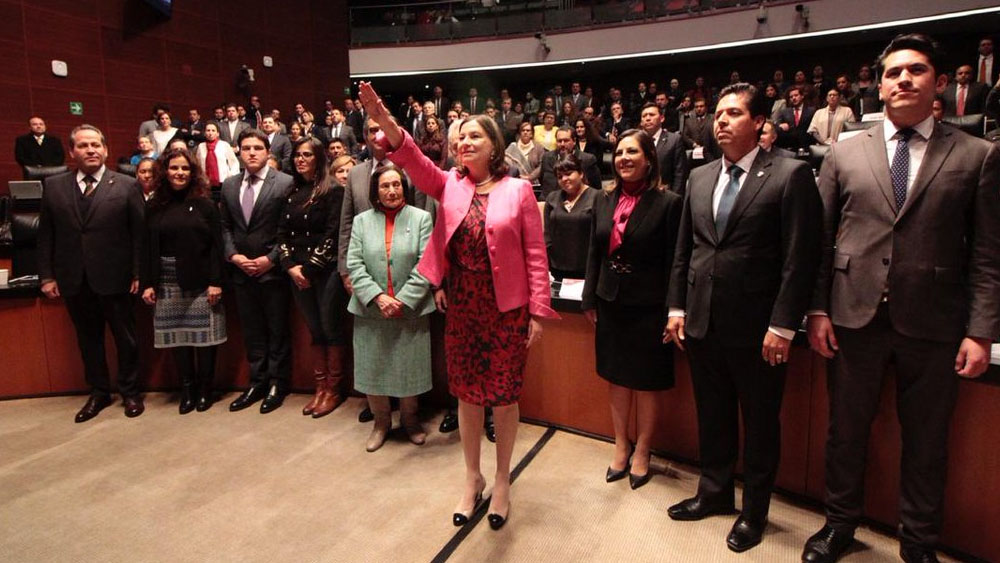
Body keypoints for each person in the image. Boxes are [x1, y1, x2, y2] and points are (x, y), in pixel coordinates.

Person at [802, 34, 1000, 563]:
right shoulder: (843, 153)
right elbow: (819, 243)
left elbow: (986, 253)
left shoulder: (977, 155)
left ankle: (918, 544)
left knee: (928, 444)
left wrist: (980, 331)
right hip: (851, 317)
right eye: (893, 72)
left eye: (916, 70)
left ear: (939, 82)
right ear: (880, 86)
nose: (903, 79)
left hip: (935, 324)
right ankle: (839, 525)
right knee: (845, 434)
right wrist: (817, 309)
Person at [359, 81, 557, 531]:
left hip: (508, 310)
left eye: (474, 137)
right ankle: (473, 478)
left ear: (494, 145)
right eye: (459, 137)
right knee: (467, 396)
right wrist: (387, 120)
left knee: (504, 399)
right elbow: (410, 156)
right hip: (464, 307)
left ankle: (503, 479)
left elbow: (535, 254)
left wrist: (539, 311)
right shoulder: (448, 184)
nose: (464, 142)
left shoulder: (519, 190)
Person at [664, 82, 822, 553]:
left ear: (760, 124)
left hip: (759, 331)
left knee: (760, 424)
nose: (721, 121)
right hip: (702, 322)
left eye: (733, 113)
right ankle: (713, 493)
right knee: (712, 415)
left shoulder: (789, 175)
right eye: (717, 113)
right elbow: (685, 251)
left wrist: (783, 325)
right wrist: (676, 307)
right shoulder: (699, 176)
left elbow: (801, 258)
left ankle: (754, 512)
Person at [580, 127, 683, 493]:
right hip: (611, 302)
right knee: (617, 377)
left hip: (650, 305)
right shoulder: (603, 201)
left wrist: (675, 308)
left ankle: (643, 449)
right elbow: (596, 253)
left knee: (648, 382)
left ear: (649, 158)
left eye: (632, 152)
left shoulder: (669, 202)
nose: (623, 158)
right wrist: (589, 298)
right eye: (619, 152)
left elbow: (676, 261)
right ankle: (620, 445)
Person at [36, 124, 145, 422]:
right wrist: (46, 276)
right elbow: (46, 235)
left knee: (126, 338)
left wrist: (139, 273)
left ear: (106, 149)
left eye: (96, 144)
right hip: (74, 278)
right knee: (88, 339)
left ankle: (130, 391)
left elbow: (139, 235)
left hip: (117, 277)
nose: (91, 150)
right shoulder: (55, 186)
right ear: (72, 152)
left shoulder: (126, 184)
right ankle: (99, 392)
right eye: (83, 146)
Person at [347, 165, 435, 451]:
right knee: (374, 368)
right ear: (376, 191)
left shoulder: (421, 219)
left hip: (410, 310)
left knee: (409, 368)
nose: (391, 191)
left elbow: (426, 264)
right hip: (371, 311)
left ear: (404, 188)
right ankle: (381, 423)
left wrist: (403, 299)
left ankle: (410, 421)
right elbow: (354, 265)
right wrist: (377, 297)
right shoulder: (361, 221)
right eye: (385, 186)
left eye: (396, 184)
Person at [140, 148, 226, 414]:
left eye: (185, 169)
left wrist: (215, 281)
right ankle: (187, 388)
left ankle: (205, 389)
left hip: (201, 280)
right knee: (177, 337)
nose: (179, 173)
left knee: (205, 339)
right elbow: (146, 247)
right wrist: (148, 283)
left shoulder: (205, 203)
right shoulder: (154, 205)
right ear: (164, 171)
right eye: (174, 168)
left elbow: (217, 245)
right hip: (166, 278)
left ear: (193, 173)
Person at [220, 129, 295, 414]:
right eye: (246, 148)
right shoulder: (229, 185)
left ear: (268, 152)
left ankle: (278, 382)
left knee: (277, 330)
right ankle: (257, 381)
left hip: (271, 270)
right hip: (240, 271)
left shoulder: (285, 183)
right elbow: (225, 226)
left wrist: (271, 258)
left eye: (257, 148)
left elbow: (287, 229)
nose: (251, 152)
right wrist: (233, 255)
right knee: (252, 331)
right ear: (238, 152)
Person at [276, 138, 349, 419]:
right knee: (315, 330)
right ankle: (320, 388)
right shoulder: (292, 191)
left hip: (325, 270)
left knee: (330, 328)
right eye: (297, 155)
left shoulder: (332, 190)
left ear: (319, 158)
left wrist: (308, 269)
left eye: (307, 154)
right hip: (297, 271)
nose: (301, 159)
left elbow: (333, 234)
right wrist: (290, 266)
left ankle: (333, 390)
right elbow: (281, 232)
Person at [544, 153, 598, 280]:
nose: (564, 179)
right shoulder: (552, 197)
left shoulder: (597, 197)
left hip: (586, 268)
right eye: (559, 176)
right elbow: (547, 235)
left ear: (581, 173)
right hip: (556, 268)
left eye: (568, 174)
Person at [539, 126, 602, 197]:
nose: (562, 144)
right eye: (559, 141)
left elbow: (596, 189)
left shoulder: (587, 160)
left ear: (574, 141)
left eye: (566, 141)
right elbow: (542, 181)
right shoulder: (547, 158)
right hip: (549, 203)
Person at [196, 122, 240, 202]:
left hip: (222, 182)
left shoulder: (224, 145)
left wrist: (230, 176)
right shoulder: (201, 146)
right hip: (206, 183)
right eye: (208, 130)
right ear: (205, 133)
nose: (210, 133)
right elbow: (198, 164)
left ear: (218, 133)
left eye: (213, 130)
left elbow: (234, 163)